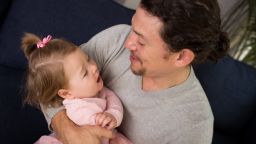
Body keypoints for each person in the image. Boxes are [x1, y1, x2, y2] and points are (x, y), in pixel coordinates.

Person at [43, 0, 230, 143]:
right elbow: (48, 79)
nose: (128, 43)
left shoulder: (193, 126)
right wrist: (68, 130)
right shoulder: (117, 39)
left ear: (181, 57)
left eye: (141, 41)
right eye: (133, 28)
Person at [21, 33, 132, 144]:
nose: (93, 67)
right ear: (67, 94)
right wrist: (96, 120)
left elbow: (114, 103)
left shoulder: (101, 90)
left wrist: (112, 115)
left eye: (88, 59)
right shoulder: (75, 106)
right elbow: (82, 121)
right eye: (84, 73)